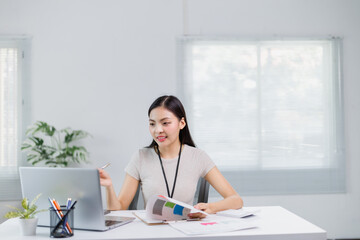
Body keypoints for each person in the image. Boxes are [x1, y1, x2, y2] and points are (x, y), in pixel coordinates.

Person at [99, 95, 243, 218]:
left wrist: (211, 207)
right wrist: (109, 187)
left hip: (185, 232)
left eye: (165, 123)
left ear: (182, 123)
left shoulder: (198, 157)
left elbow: (236, 200)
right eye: (152, 124)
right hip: (151, 233)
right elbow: (118, 210)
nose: (158, 130)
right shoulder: (140, 157)